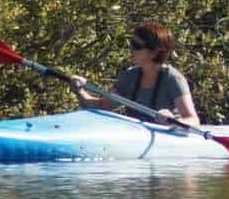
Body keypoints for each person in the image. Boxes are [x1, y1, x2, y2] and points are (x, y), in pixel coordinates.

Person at [70, 21, 201, 126]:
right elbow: (101, 106)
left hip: (167, 138)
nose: (131, 49)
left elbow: (193, 120)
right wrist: (79, 90)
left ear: (154, 52)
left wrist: (173, 121)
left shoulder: (173, 79)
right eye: (132, 43)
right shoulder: (128, 77)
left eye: (137, 46)